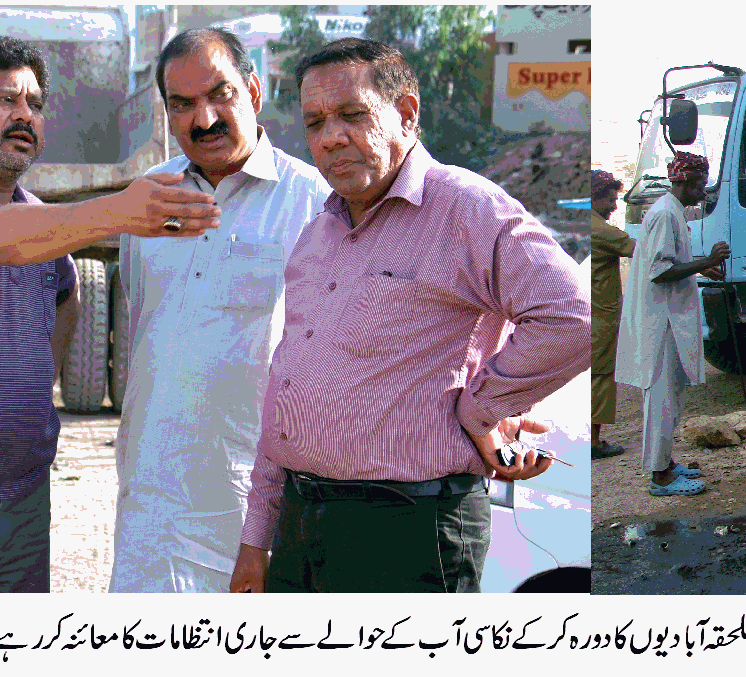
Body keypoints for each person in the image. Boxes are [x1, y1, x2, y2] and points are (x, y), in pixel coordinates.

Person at [227, 38, 588, 593]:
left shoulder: (464, 207)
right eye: (315, 121)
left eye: (352, 115)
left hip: (411, 530)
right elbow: (288, 384)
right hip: (302, 525)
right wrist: (258, 540)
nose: (331, 137)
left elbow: (571, 318)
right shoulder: (318, 232)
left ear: (407, 113)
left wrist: (482, 408)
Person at [0, 35, 221, 593]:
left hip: (22, 505)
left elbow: (66, 299)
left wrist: (31, 383)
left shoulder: (43, 220)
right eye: (6, 100)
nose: (25, 115)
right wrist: (119, 209)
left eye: (34, 103)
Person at [110, 28, 331, 593]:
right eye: (182, 105)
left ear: (254, 92)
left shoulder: (314, 203)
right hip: (151, 500)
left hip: (251, 509)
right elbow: (144, 335)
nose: (203, 119)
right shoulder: (147, 199)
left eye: (219, 94)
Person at [616, 151, 729, 497]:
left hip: (669, 322)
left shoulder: (672, 212)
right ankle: (659, 477)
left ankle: (665, 463)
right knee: (662, 400)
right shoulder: (665, 214)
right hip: (661, 324)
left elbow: (670, 262)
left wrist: (699, 266)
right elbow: (660, 271)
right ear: (685, 181)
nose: (703, 191)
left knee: (671, 399)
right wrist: (706, 260)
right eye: (700, 184)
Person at [590, 169, 633, 459]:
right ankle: (592, 444)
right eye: (610, 200)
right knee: (600, 377)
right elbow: (644, 251)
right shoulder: (601, 231)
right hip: (599, 320)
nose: (614, 207)